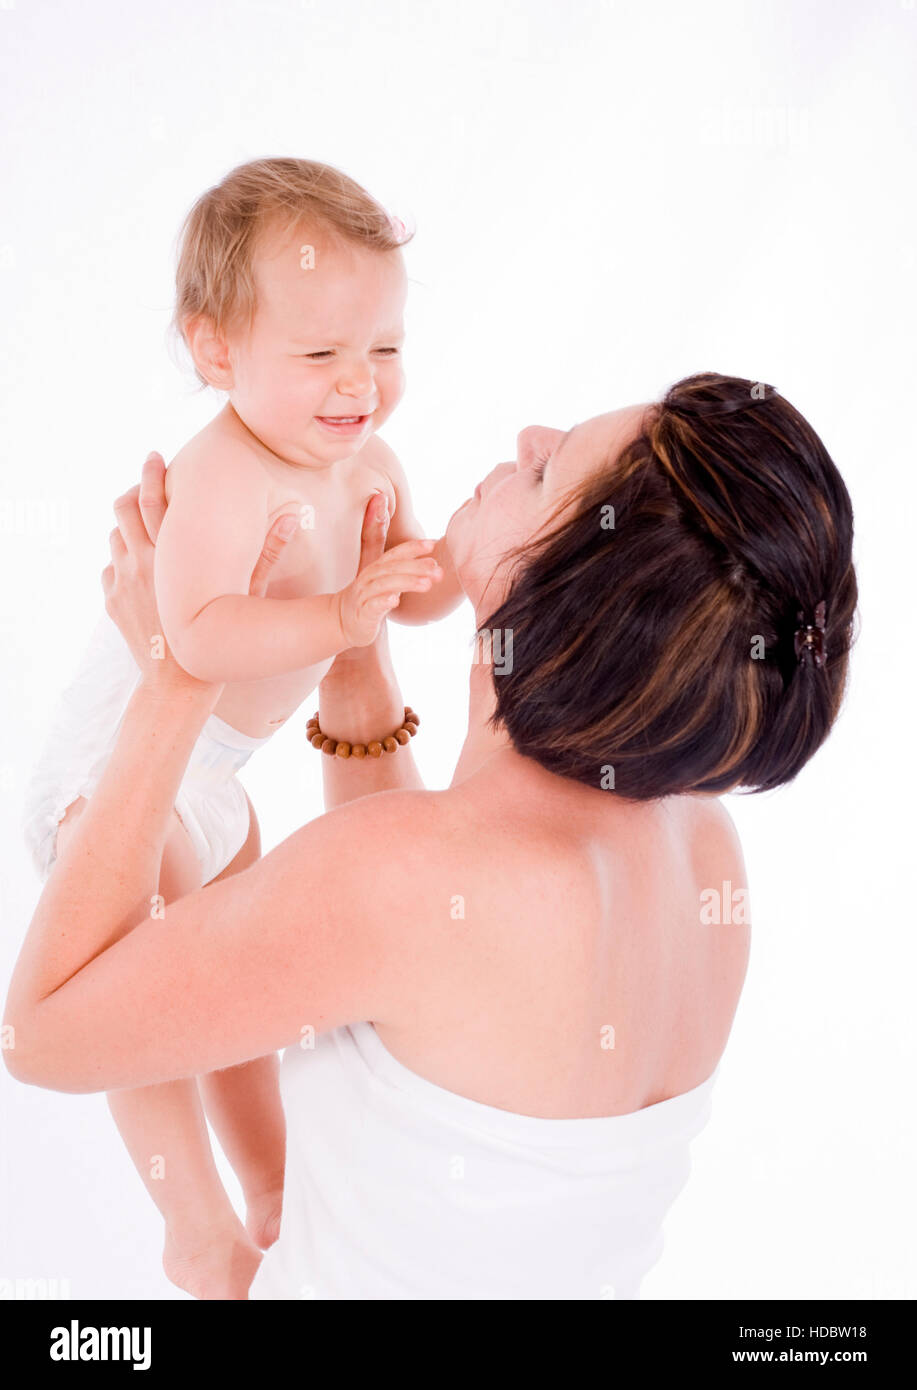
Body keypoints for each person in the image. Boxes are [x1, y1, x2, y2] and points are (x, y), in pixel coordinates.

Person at [5, 372, 857, 1300]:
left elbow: (41, 1034)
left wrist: (176, 677)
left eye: (545, 471)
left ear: (563, 592)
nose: (529, 434)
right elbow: (419, 961)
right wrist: (355, 661)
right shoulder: (699, 851)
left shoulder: (422, 881)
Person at [19, 156, 462, 1294]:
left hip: (214, 775)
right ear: (215, 351)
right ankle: (193, 1217)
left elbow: (407, 589)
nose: (357, 383)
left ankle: (273, 1183)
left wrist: (442, 566)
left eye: (385, 348)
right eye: (318, 355)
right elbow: (199, 638)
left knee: (233, 971)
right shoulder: (225, 474)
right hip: (118, 774)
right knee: (136, 972)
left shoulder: (365, 459)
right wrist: (337, 611)